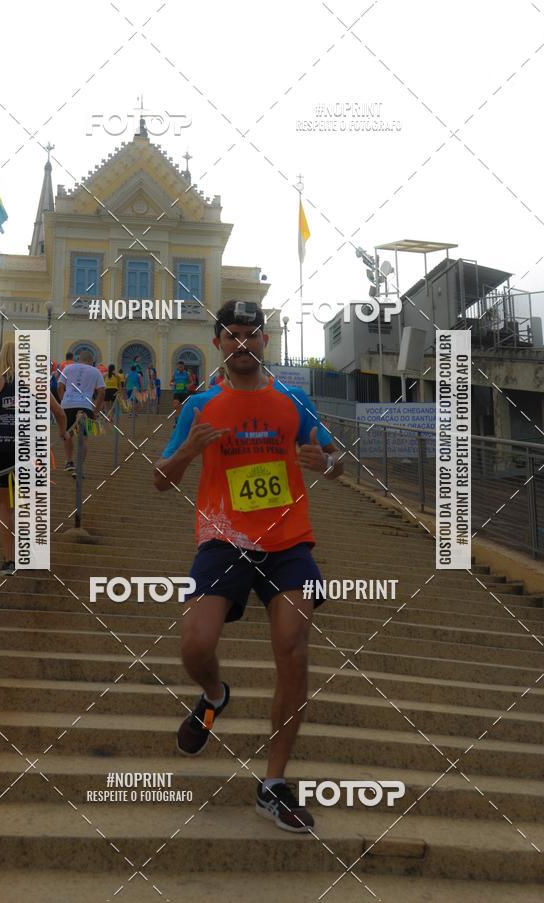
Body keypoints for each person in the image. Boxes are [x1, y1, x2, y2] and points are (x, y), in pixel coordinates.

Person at [153, 300, 343, 833]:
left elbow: (336, 460)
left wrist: (324, 463)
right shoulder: (199, 406)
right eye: (232, 334)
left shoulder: (293, 400)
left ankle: (273, 784)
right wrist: (187, 451)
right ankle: (215, 696)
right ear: (218, 342)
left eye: (252, 334)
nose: (242, 343)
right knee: (195, 643)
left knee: (293, 648)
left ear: (265, 341)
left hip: (288, 544)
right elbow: (159, 480)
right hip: (223, 539)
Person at [0, 340, 67, 575]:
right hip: (31, 447)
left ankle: (9, 560)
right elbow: (59, 412)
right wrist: (64, 433)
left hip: (0, 446)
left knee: (5, 505)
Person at [57, 349, 105, 477]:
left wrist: (64, 400)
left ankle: (68, 461)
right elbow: (102, 392)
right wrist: (96, 411)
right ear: (91, 361)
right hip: (85, 406)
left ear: (79, 359)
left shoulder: (68, 368)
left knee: (68, 435)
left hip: (67, 405)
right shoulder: (95, 371)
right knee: (83, 438)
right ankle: (78, 468)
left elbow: (59, 386)